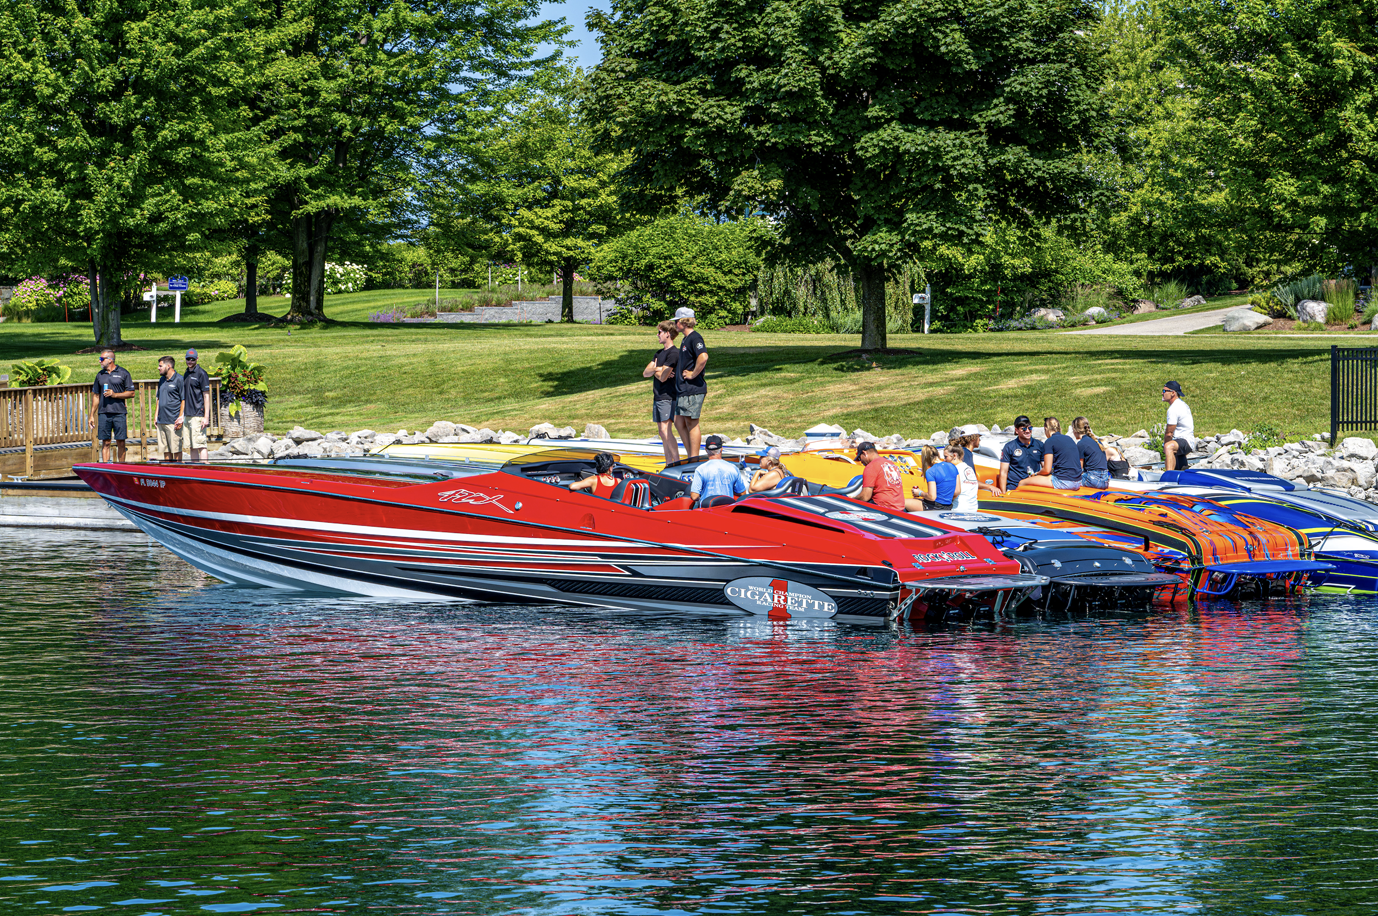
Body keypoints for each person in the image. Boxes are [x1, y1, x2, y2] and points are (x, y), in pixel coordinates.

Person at [642, 321, 681, 465]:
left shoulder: (674, 353)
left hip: (668, 396)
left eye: (659, 332)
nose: (657, 335)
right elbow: (646, 372)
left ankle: (676, 463)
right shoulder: (658, 353)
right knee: (661, 431)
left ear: (668, 334)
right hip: (657, 395)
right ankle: (668, 463)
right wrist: (658, 369)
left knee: (665, 430)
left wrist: (656, 369)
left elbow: (664, 377)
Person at [674, 307, 708, 459]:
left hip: (693, 388)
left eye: (676, 321)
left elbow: (703, 357)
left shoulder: (695, 338)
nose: (675, 324)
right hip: (683, 389)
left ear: (683, 322)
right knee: (679, 421)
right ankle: (690, 456)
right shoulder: (685, 339)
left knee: (692, 423)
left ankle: (693, 459)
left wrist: (693, 374)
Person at [89, 349, 134, 462]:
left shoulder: (123, 373)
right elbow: (96, 396)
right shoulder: (100, 375)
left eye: (101, 359)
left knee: (121, 441)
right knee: (106, 442)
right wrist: (91, 415)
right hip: (104, 413)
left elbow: (131, 393)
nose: (99, 361)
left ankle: (122, 467)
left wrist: (115, 395)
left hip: (119, 413)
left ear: (110, 360)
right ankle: (106, 468)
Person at [857, 441, 924, 512]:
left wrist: (852, 498)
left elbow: (865, 497)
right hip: (900, 508)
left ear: (864, 453)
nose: (861, 461)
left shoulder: (871, 466)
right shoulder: (891, 463)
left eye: (859, 458)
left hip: (884, 507)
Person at [1020, 417, 1082, 490]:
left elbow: (1046, 470)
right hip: (1078, 481)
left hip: (1063, 482)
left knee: (1022, 483)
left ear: (1046, 428)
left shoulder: (1050, 441)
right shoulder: (1069, 439)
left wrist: (1036, 474)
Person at [996, 415, 1046, 495]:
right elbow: (1003, 472)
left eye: (1030, 428)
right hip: (1014, 488)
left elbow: (1045, 468)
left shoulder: (1040, 445)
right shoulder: (1009, 447)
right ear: (1016, 430)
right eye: (1023, 429)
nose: (1027, 431)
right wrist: (1003, 493)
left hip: (1034, 487)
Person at [690, 435, 745, 505]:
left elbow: (694, 496)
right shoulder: (733, 468)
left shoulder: (700, 469)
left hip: (707, 511)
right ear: (721, 449)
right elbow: (742, 493)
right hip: (727, 510)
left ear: (706, 450)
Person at [181, 348, 212, 461]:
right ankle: (195, 469)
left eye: (192, 359)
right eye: (188, 359)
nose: (190, 361)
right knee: (191, 445)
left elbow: (206, 396)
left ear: (197, 359)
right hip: (188, 415)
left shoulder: (202, 374)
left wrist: (206, 417)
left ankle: (204, 470)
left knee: (200, 444)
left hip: (198, 414)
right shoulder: (186, 373)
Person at [154, 356, 185, 462]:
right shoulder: (161, 380)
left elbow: (183, 400)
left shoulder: (179, 379)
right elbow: (159, 399)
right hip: (161, 420)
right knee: (165, 450)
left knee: (176, 449)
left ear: (168, 366)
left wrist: (180, 417)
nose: (158, 368)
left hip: (173, 421)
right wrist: (156, 416)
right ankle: (167, 471)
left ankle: (178, 474)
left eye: (160, 366)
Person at [1162, 380, 1195, 471]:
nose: (1162, 393)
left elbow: (1169, 433)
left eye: (1164, 391)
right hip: (1182, 440)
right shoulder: (1180, 404)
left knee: (1168, 446)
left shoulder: (1174, 408)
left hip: (1185, 441)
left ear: (1172, 393)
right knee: (1180, 469)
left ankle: (1169, 477)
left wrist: (1165, 446)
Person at [1071, 416, 1111, 490]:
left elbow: (1079, 468)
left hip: (1093, 480)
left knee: (1068, 481)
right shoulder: (1097, 441)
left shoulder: (1081, 444)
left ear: (1075, 430)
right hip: (1105, 480)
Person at [922, 444, 961, 510]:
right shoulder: (953, 466)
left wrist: (919, 493)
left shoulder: (930, 471)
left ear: (925, 458)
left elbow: (932, 497)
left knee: (906, 503)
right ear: (938, 454)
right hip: (948, 506)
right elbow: (957, 491)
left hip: (935, 506)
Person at [952, 444, 981, 511]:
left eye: (946, 457)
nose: (944, 460)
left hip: (958, 508)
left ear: (954, 456)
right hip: (972, 508)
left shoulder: (956, 469)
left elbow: (956, 492)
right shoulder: (969, 468)